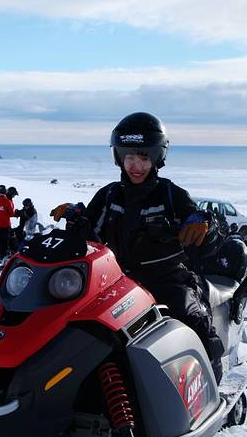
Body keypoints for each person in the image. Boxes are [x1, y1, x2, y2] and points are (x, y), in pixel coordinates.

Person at [52, 112, 225, 382]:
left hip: (166, 279)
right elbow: (90, 237)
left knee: (191, 321)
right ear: (119, 157)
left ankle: (212, 384)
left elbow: (207, 237)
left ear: (157, 158)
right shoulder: (109, 195)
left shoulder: (171, 195)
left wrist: (205, 226)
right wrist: (76, 219)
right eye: (130, 157)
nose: (136, 166)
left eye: (144, 158)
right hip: (116, 280)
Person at [0, 184, 17, 259]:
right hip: (5, 225)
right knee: (5, 242)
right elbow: (11, 213)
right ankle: (3, 257)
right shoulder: (6, 201)